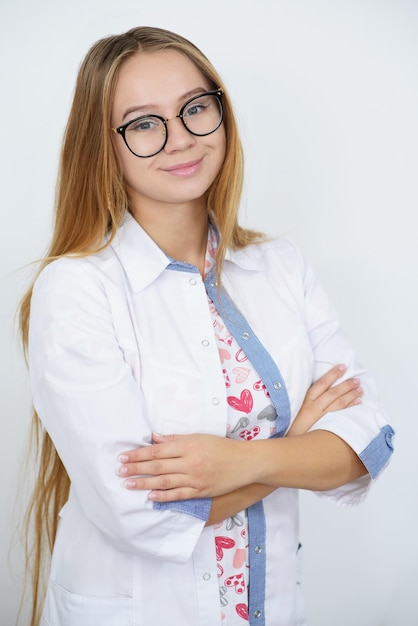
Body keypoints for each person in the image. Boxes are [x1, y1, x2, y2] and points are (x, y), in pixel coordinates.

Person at [19, 26, 394, 626]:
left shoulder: (279, 267)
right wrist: (295, 445)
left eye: (196, 108)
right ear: (103, 144)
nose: (181, 139)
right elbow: (142, 511)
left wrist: (240, 462)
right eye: (144, 123)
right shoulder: (76, 290)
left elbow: (366, 443)